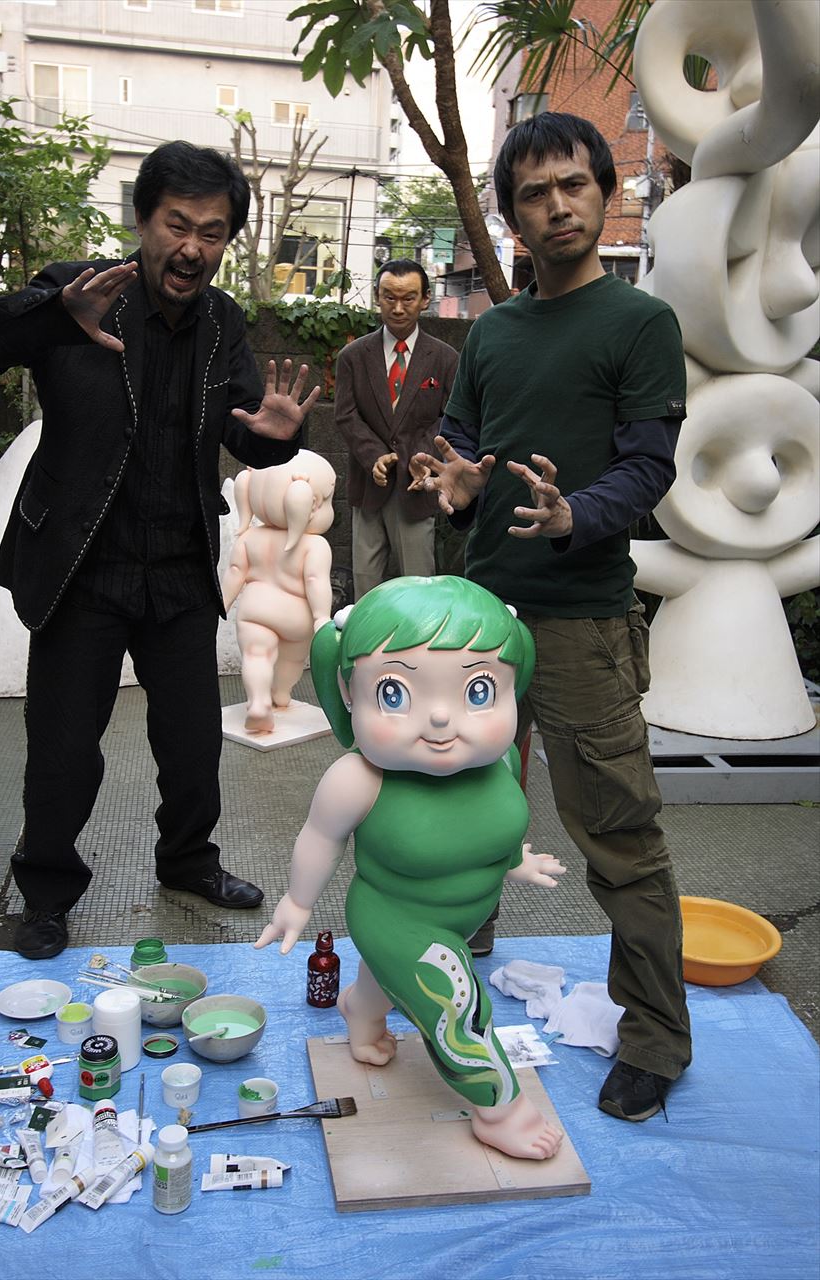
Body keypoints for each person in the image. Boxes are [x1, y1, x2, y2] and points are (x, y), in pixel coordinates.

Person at [0, 140, 320, 961]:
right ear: (142, 220)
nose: (193, 247)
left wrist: (274, 440)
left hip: (179, 566)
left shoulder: (223, 322)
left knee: (193, 743)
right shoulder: (79, 291)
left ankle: (188, 860)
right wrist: (52, 316)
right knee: (63, 750)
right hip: (82, 565)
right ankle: (45, 892)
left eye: (213, 232)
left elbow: (245, 430)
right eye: (177, 225)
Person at [411, 112, 692, 1124]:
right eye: (534, 193)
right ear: (511, 217)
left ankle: (653, 1034)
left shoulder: (639, 323)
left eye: (574, 184)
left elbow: (648, 465)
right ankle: (459, 951)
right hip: (482, 615)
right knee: (460, 800)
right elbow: (459, 446)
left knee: (616, 832)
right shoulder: (491, 331)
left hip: (580, 619)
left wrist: (579, 515)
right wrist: (451, 482)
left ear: (604, 192)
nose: (558, 205)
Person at [255, 575, 566, 1161]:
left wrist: (515, 862)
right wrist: (297, 902)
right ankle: (501, 1110)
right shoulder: (359, 778)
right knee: (456, 1005)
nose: (442, 718)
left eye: (478, 691)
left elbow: (489, 828)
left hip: (462, 915)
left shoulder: (498, 759)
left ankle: (362, 1009)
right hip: (395, 916)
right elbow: (320, 838)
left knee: (400, 980)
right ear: (349, 693)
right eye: (395, 693)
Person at [334, 259, 458, 599]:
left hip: (417, 489)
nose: (398, 308)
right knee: (365, 589)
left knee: (420, 589)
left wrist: (422, 457)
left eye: (408, 298)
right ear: (377, 296)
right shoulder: (353, 357)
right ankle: (365, 636)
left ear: (425, 299)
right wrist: (374, 455)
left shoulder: (445, 359)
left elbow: (449, 417)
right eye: (389, 297)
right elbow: (346, 415)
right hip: (368, 487)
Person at [221, 450, 335, 734]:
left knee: (256, 655)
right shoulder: (314, 546)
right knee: (292, 660)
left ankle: (258, 702)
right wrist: (321, 617)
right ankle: (281, 694)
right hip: (296, 618)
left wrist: (221, 604)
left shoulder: (249, 538)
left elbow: (235, 572)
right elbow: (315, 581)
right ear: (313, 504)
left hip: (255, 610)